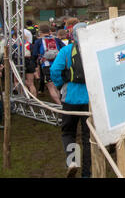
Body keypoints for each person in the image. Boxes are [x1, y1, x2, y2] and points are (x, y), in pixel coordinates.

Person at [50, 23, 91, 178]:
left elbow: (54, 70)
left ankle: (72, 162)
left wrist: (61, 85)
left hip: (70, 98)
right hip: (89, 101)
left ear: (73, 35)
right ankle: (87, 173)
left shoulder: (66, 51)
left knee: (68, 132)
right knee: (88, 138)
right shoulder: (93, 50)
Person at [33, 24, 66, 105]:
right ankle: (62, 103)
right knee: (57, 86)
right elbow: (65, 49)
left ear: (40, 32)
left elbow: (34, 54)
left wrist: (36, 63)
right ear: (49, 31)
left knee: (50, 86)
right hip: (58, 65)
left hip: (46, 65)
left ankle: (59, 105)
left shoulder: (39, 41)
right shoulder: (57, 40)